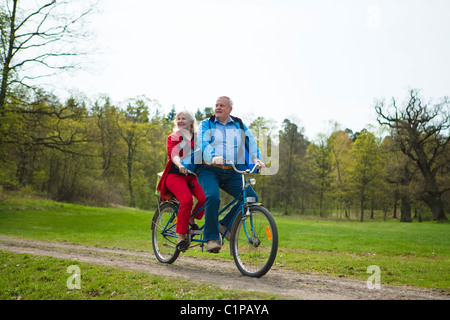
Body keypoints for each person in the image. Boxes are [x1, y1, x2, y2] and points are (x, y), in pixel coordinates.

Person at [195, 96, 265, 253]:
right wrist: (213, 157)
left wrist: (257, 159)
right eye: (216, 105)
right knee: (213, 197)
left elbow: (251, 142)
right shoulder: (207, 124)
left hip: (231, 170)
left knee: (251, 197)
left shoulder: (239, 124)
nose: (218, 108)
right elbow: (203, 143)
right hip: (208, 169)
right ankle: (212, 238)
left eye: (222, 105)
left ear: (230, 109)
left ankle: (225, 225)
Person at [157, 110, 205, 251]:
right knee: (187, 200)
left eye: (184, 118)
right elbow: (173, 155)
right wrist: (180, 165)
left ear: (191, 122)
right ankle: (181, 238)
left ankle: (191, 218)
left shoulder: (198, 138)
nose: (180, 121)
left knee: (206, 197)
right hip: (175, 175)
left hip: (192, 175)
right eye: (178, 119)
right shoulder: (173, 137)